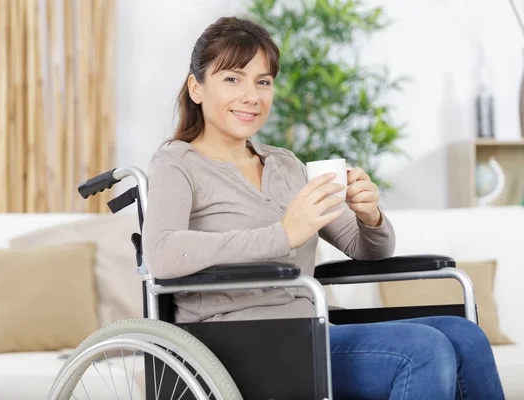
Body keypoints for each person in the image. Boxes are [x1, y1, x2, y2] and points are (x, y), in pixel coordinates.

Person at [141, 16, 505, 399]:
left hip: (309, 329)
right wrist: (282, 234)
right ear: (196, 88)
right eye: (233, 78)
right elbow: (162, 254)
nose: (252, 96)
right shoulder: (177, 163)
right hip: (239, 342)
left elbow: (370, 251)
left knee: (465, 335)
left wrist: (370, 216)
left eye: (263, 81)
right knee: (423, 350)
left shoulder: (286, 164)